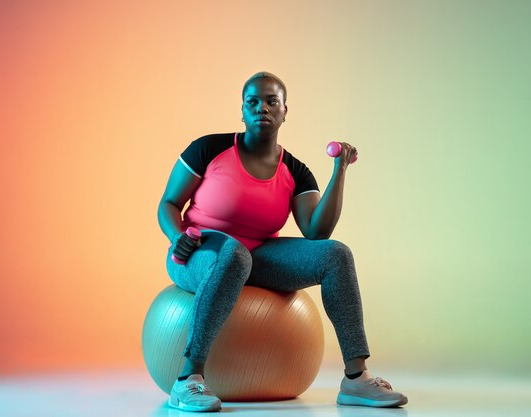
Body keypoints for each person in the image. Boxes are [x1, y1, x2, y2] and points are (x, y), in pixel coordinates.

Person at [157, 72, 408, 412]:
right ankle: (187, 381)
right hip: (198, 251)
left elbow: (317, 231)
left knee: (335, 255)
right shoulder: (208, 149)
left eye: (271, 101)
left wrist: (340, 170)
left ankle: (356, 378)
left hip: (254, 256)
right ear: (242, 111)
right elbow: (169, 204)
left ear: (285, 111)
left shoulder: (295, 170)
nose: (262, 107)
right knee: (233, 254)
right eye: (253, 102)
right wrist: (177, 238)